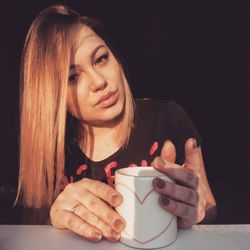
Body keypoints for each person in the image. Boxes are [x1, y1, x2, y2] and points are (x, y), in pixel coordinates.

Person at [16, 4, 217, 242]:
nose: (99, 81)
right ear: (50, 97)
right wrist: (54, 220)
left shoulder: (168, 118)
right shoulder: (53, 152)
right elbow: (29, 238)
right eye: (72, 77)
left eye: (101, 59)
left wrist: (197, 212)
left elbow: (211, 217)